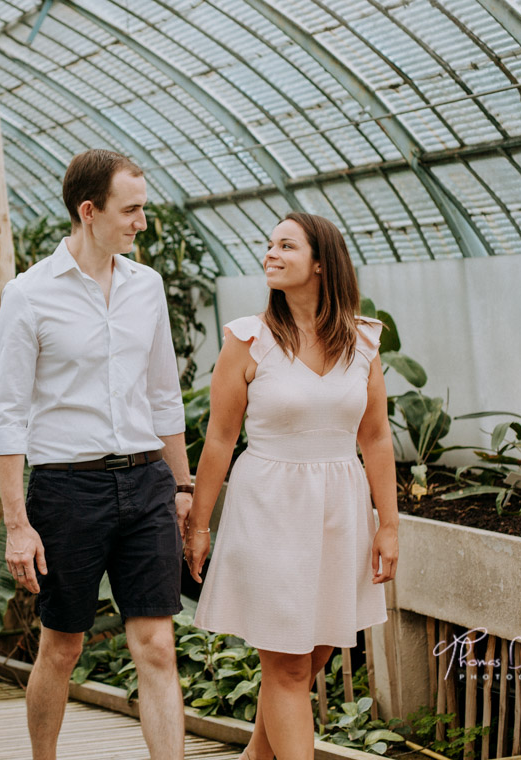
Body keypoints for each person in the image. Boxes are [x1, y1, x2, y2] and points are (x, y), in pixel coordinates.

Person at [0, 149, 194, 760]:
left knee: (157, 644)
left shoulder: (147, 287)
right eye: (131, 210)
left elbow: (164, 397)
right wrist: (18, 526)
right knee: (63, 646)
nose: (141, 222)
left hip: (146, 483)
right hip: (67, 491)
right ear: (89, 211)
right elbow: (8, 416)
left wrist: (182, 490)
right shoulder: (29, 295)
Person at [183, 211, 399, 760]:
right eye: (269, 244)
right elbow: (218, 440)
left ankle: (256, 756)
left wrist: (389, 526)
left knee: (317, 651)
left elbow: (375, 440)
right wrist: (199, 525)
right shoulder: (247, 341)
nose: (270, 254)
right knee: (287, 664)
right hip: (268, 508)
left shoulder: (363, 342)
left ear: (322, 262)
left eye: (286, 245)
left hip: (340, 510)